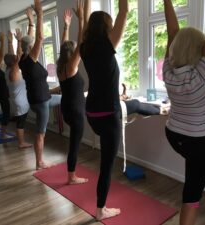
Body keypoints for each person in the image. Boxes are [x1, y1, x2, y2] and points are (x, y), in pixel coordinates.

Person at [162, 0, 205, 224]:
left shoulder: (168, 72)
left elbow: (172, 31)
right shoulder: (202, 76)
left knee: (195, 159)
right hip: (199, 143)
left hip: (175, 136)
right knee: (192, 196)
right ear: (200, 50)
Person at [80, 0, 128, 220]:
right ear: (107, 28)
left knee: (105, 163)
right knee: (107, 166)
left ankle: (101, 207)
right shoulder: (107, 46)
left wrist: (85, 13)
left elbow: (85, 30)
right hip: (109, 114)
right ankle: (101, 210)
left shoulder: (85, 47)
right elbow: (124, 11)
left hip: (92, 113)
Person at [19, 1, 61, 170]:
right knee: (40, 133)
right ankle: (39, 162)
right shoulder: (29, 60)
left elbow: (28, 40)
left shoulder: (22, 58)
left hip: (44, 98)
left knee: (66, 98)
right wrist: (40, 13)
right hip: (41, 102)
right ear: (30, 48)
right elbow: (40, 38)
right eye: (33, 45)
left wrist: (30, 20)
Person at [56, 0, 89, 184]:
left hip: (66, 109)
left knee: (73, 142)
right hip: (75, 112)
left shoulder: (62, 67)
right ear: (72, 53)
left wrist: (66, 26)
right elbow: (81, 41)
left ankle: (71, 174)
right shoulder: (71, 66)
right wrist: (82, 18)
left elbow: (65, 44)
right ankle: (71, 176)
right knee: (74, 145)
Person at [3, 29, 32, 149]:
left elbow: (13, 56)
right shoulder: (14, 71)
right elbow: (18, 56)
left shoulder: (7, 70)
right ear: (13, 62)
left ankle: (21, 141)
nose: (16, 58)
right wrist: (19, 41)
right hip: (20, 101)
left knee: (20, 121)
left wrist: (10, 42)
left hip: (16, 100)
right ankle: (21, 142)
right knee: (21, 122)